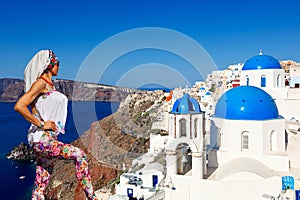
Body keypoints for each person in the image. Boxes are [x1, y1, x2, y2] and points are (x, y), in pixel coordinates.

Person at [14, 50, 98, 200]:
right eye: (57, 63)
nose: (59, 67)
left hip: (47, 140)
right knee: (80, 155)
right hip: (42, 139)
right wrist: (41, 124)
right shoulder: (41, 83)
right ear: (49, 64)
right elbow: (19, 105)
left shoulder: (49, 86)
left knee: (40, 187)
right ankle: (92, 197)